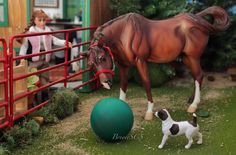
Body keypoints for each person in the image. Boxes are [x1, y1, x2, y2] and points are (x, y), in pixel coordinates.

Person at [18, 10, 71, 103]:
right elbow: (24, 46)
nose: (42, 22)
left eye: (44, 20)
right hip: (33, 62)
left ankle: (45, 98)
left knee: (45, 79)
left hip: (44, 60)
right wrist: (21, 57)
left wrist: (65, 42)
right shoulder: (30, 33)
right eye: (39, 20)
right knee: (32, 80)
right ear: (34, 20)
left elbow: (54, 40)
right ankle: (33, 100)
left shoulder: (47, 31)